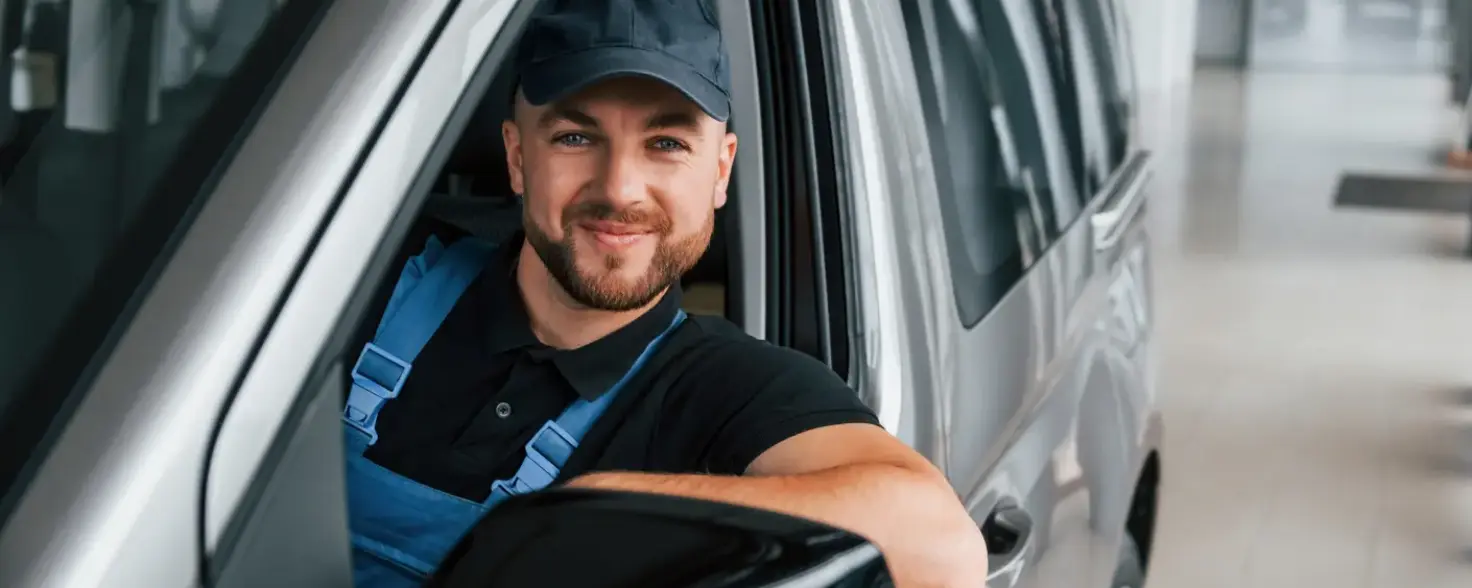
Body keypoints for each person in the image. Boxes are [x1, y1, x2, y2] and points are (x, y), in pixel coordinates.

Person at [341, 0, 989, 586]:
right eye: (576, 137)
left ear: (720, 170)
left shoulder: (726, 387)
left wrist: (589, 515)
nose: (620, 188)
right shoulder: (373, 276)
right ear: (516, 157)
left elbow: (942, 548)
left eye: (667, 144)